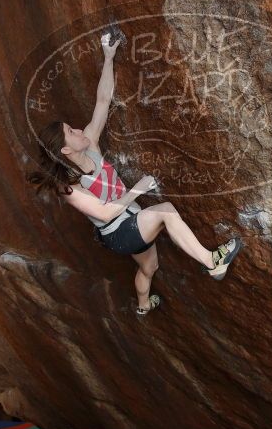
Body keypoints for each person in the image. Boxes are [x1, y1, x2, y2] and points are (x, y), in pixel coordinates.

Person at [26, 32, 242, 316]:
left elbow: (103, 100)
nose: (77, 130)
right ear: (65, 151)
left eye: (72, 127)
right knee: (166, 211)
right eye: (70, 132)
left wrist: (109, 57)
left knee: (149, 266)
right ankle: (213, 262)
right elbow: (104, 214)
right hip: (117, 232)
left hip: (130, 216)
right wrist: (139, 189)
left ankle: (143, 306)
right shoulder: (69, 187)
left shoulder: (90, 143)